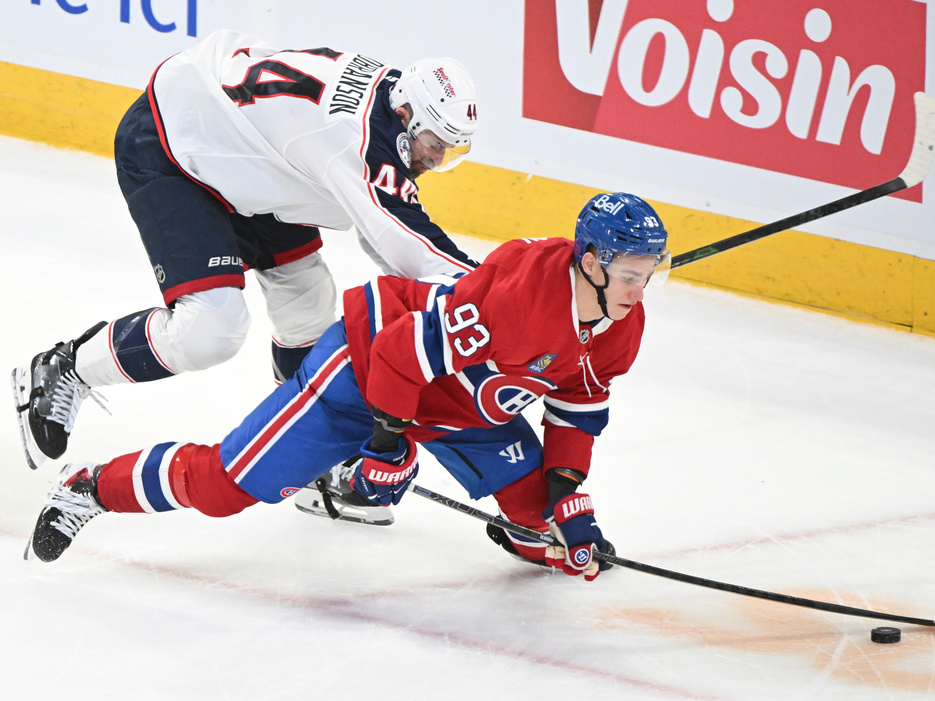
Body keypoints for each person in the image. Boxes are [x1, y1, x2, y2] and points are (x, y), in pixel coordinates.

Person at [24, 192, 671, 582]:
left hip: (459, 402)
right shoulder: (519, 300)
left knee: (541, 515)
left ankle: (527, 529)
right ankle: (90, 488)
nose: (639, 292)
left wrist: (565, 492)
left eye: (649, 275)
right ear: (591, 263)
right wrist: (387, 446)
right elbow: (397, 354)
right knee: (224, 487)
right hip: (366, 371)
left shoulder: (622, 321)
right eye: (631, 276)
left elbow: (577, 406)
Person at [11, 28, 480, 474]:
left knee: (307, 301)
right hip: (174, 144)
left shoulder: (393, 97)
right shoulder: (356, 141)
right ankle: (66, 368)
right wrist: (492, 292)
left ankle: (300, 445)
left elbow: (383, 229)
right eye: (434, 144)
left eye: (450, 152)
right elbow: (403, 244)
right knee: (210, 330)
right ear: (405, 115)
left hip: (247, 148)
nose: (436, 159)